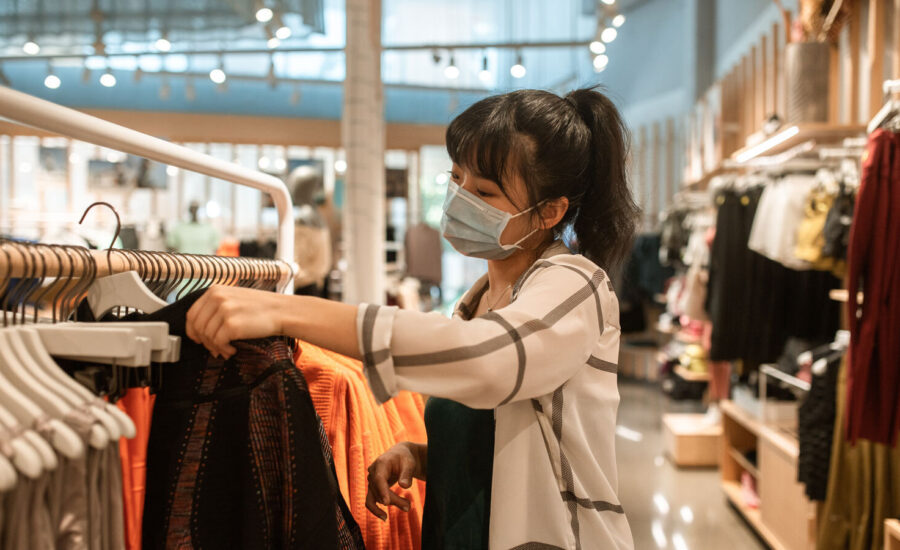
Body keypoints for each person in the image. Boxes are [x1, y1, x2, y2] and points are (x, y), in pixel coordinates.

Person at [184, 87, 639, 550]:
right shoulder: (478, 300)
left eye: (484, 192)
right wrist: (422, 459)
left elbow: (488, 361)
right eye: (456, 178)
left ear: (549, 212)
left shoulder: (574, 285)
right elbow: (501, 443)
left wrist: (284, 310)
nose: (460, 199)